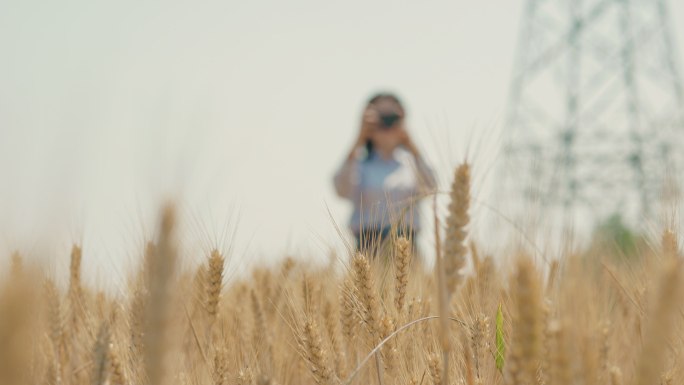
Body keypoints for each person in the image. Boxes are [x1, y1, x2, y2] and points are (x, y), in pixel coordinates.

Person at [333, 93, 436, 254]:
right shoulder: (358, 164)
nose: (387, 125)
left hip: (407, 252)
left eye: (392, 118)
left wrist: (411, 143)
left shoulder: (412, 163)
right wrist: (359, 138)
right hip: (368, 253)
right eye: (380, 118)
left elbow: (431, 187)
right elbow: (340, 189)